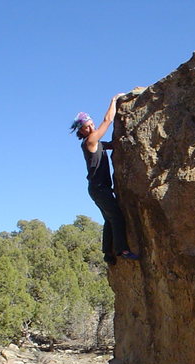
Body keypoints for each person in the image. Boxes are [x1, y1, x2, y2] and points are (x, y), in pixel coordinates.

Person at [70, 94, 139, 264]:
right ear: (81, 130)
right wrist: (114, 100)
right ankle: (122, 250)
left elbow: (110, 145)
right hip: (99, 188)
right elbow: (107, 121)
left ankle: (108, 254)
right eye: (88, 126)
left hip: (99, 188)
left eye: (92, 124)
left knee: (109, 218)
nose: (92, 127)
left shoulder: (97, 143)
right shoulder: (90, 141)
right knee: (116, 216)